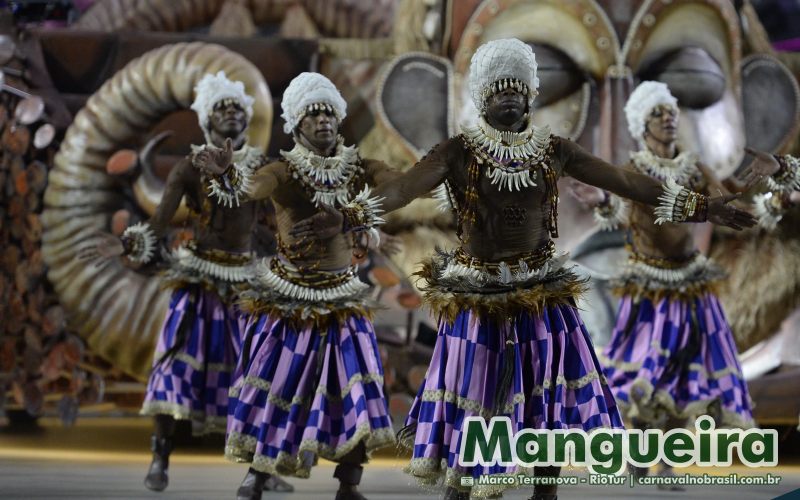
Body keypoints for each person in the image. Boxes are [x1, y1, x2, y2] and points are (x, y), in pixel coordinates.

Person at [289, 40, 756, 500]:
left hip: (541, 292)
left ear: (530, 93)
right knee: (470, 387)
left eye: (516, 88)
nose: (508, 97)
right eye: (498, 90)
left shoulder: (555, 149)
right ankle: (461, 484)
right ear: (482, 98)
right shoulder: (458, 152)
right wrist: (350, 215)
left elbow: (627, 182)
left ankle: (545, 489)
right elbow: (405, 188)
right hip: (478, 292)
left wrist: (700, 207)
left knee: (545, 387)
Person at [77, 71, 290, 493]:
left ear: (247, 120)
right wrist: (126, 244)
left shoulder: (264, 169)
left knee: (257, 377)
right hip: (199, 283)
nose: (231, 114)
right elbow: (158, 223)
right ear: (207, 122)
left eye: (237, 108)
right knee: (175, 367)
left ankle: (262, 468)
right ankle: (159, 457)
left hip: (247, 286)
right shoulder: (190, 168)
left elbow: (278, 224)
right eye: (221, 108)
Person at [566, 81, 782, 485]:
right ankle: (638, 453)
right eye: (659, 114)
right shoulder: (635, 170)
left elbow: (727, 200)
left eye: (671, 113)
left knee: (684, 374)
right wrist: (602, 201)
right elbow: (617, 208)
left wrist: (769, 192)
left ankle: (664, 462)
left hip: (690, 283)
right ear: (643, 123)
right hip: (649, 286)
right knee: (648, 373)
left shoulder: (694, 168)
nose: (669, 119)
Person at [196, 72, 398, 500]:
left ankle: (349, 482)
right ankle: (257, 473)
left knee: (357, 386)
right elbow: (254, 187)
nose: (322, 121)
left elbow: (397, 183)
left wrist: (428, 178)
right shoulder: (283, 170)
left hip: (344, 298)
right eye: (311, 115)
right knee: (276, 386)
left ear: (339, 118)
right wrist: (231, 176)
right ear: (295, 125)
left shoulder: (358, 166)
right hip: (292, 301)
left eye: (328, 112)